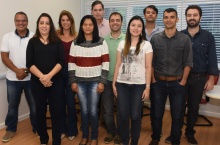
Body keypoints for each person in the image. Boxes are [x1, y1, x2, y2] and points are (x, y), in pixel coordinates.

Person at [164, 5, 219, 145]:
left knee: (194, 107)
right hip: (180, 77)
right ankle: (175, 133)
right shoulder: (179, 35)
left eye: (195, 15)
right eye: (189, 15)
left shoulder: (208, 36)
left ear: (200, 17)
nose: (192, 17)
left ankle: (190, 133)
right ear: (185, 17)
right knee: (178, 108)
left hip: (199, 78)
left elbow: (212, 58)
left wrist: (211, 79)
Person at [149, 8, 193, 145]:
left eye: (172, 17)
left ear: (177, 19)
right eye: (166, 17)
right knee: (156, 114)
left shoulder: (185, 39)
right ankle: (155, 138)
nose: (169, 19)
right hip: (158, 83)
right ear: (163, 19)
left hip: (178, 83)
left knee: (177, 115)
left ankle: (175, 140)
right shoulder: (155, 39)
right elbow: (150, 63)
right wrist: (153, 80)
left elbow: (188, 62)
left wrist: (183, 81)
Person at [68, 15, 109, 145]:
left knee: (93, 110)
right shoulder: (75, 43)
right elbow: (71, 64)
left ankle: (94, 138)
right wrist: (73, 81)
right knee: (84, 111)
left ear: (94, 26)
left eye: (90, 24)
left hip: (95, 82)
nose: (87, 27)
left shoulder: (102, 42)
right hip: (79, 82)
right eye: (85, 24)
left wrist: (102, 82)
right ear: (81, 26)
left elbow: (106, 64)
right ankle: (85, 136)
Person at [113, 15, 153, 145]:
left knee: (135, 116)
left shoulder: (146, 45)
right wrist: (114, 83)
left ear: (142, 29)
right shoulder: (122, 44)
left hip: (139, 86)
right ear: (129, 27)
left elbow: (148, 67)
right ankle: (125, 141)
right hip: (122, 84)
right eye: (133, 25)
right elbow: (118, 64)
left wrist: (147, 87)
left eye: (139, 26)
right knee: (123, 116)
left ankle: (134, 142)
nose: (136, 28)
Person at [26, 13, 64, 145]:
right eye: (41, 23)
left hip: (56, 82)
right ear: (38, 25)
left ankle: (57, 141)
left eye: (47, 23)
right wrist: (43, 77)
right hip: (38, 83)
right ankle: (43, 139)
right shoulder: (32, 42)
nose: (44, 25)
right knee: (40, 113)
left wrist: (49, 76)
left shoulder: (57, 41)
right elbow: (29, 63)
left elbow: (61, 61)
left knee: (56, 112)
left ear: (51, 25)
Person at [0, 11, 36, 143]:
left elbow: (37, 58)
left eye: (23, 20)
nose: (21, 23)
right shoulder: (7, 37)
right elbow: (4, 57)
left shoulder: (34, 37)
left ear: (27, 21)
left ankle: (37, 128)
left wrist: (25, 71)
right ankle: (10, 129)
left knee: (35, 106)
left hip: (31, 79)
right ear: (15, 21)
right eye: (18, 20)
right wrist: (17, 71)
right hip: (12, 79)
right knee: (12, 107)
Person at [103, 12, 125, 145]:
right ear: (109, 23)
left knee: (122, 110)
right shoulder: (103, 40)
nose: (115, 22)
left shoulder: (128, 39)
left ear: (122, 22)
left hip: (123, 81)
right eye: (112, 20)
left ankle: (121, 134)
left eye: (117, 20)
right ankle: (112, 131)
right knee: (107, 110)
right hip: (107, 80)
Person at [57, 10, 78, 141]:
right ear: (60, 22)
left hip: (72, 72)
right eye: (63, 20)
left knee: (70, 103)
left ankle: (72, 130)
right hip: (57, 72)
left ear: (71, 21)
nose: (65, 22)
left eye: (67, 20)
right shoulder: (55, 35)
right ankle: (61, 129)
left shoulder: (77, 36)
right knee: (59, 103)